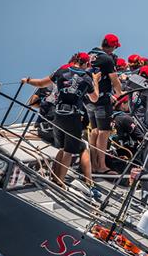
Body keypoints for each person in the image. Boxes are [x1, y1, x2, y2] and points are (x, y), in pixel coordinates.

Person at [22, 52, 100, 189]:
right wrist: (96, 82)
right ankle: (59, 182)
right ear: (86, 64)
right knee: (69, 151)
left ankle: (55, 177)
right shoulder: (87, 78)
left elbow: (40, 83)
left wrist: (27, 80)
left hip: (58, 115)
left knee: (62, 148)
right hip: (73, 117)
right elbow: (95, 98)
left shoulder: (61, 70)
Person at [87, 34, 124, 173]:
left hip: (89, 99)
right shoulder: (107, 59)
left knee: (95, 131)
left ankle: (93, 163)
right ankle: (101, 166)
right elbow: (114, 81)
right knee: (104, 132)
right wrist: (121, 94)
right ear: (112, 47)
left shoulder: (92, 54)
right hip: (101, 101)